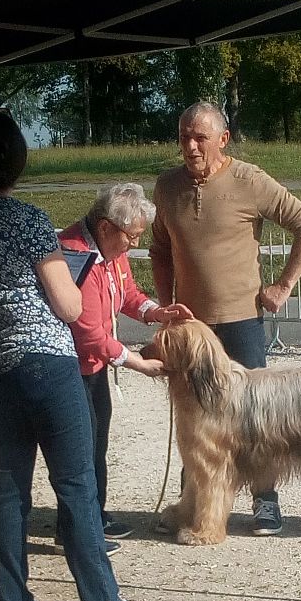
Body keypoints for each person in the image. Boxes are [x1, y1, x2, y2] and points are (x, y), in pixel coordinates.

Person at [0, 109, 167, 601]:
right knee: (76, 485)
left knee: (9, 487)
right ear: (17, 159)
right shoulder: (30, 220)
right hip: (46, 361)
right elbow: (68, 305)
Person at [150, 101, 301, 537]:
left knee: (256, 423)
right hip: (190, 330)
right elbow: (158, 249)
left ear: (223, 139)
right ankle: (196, 507)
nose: (190, 146)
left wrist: (283, 285)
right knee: (196, 424)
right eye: (184, 136)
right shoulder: (166, 187)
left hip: (241, 320)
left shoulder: (250, 180)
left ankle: (265, 504)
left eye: (200, 137)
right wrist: (163, 306)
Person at [58, 183, 193, 547]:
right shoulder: (74, 255)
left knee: (95, 441)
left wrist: (157, 311)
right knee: (80, 447)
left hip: (94, 367)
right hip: (69, 366)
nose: (133, 244)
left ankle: (92, 514)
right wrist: (138, 363)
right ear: (105, 227)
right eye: (131, 236)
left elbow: (127, 294)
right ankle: (77, 528)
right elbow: (89, 334)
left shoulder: (111, 252)